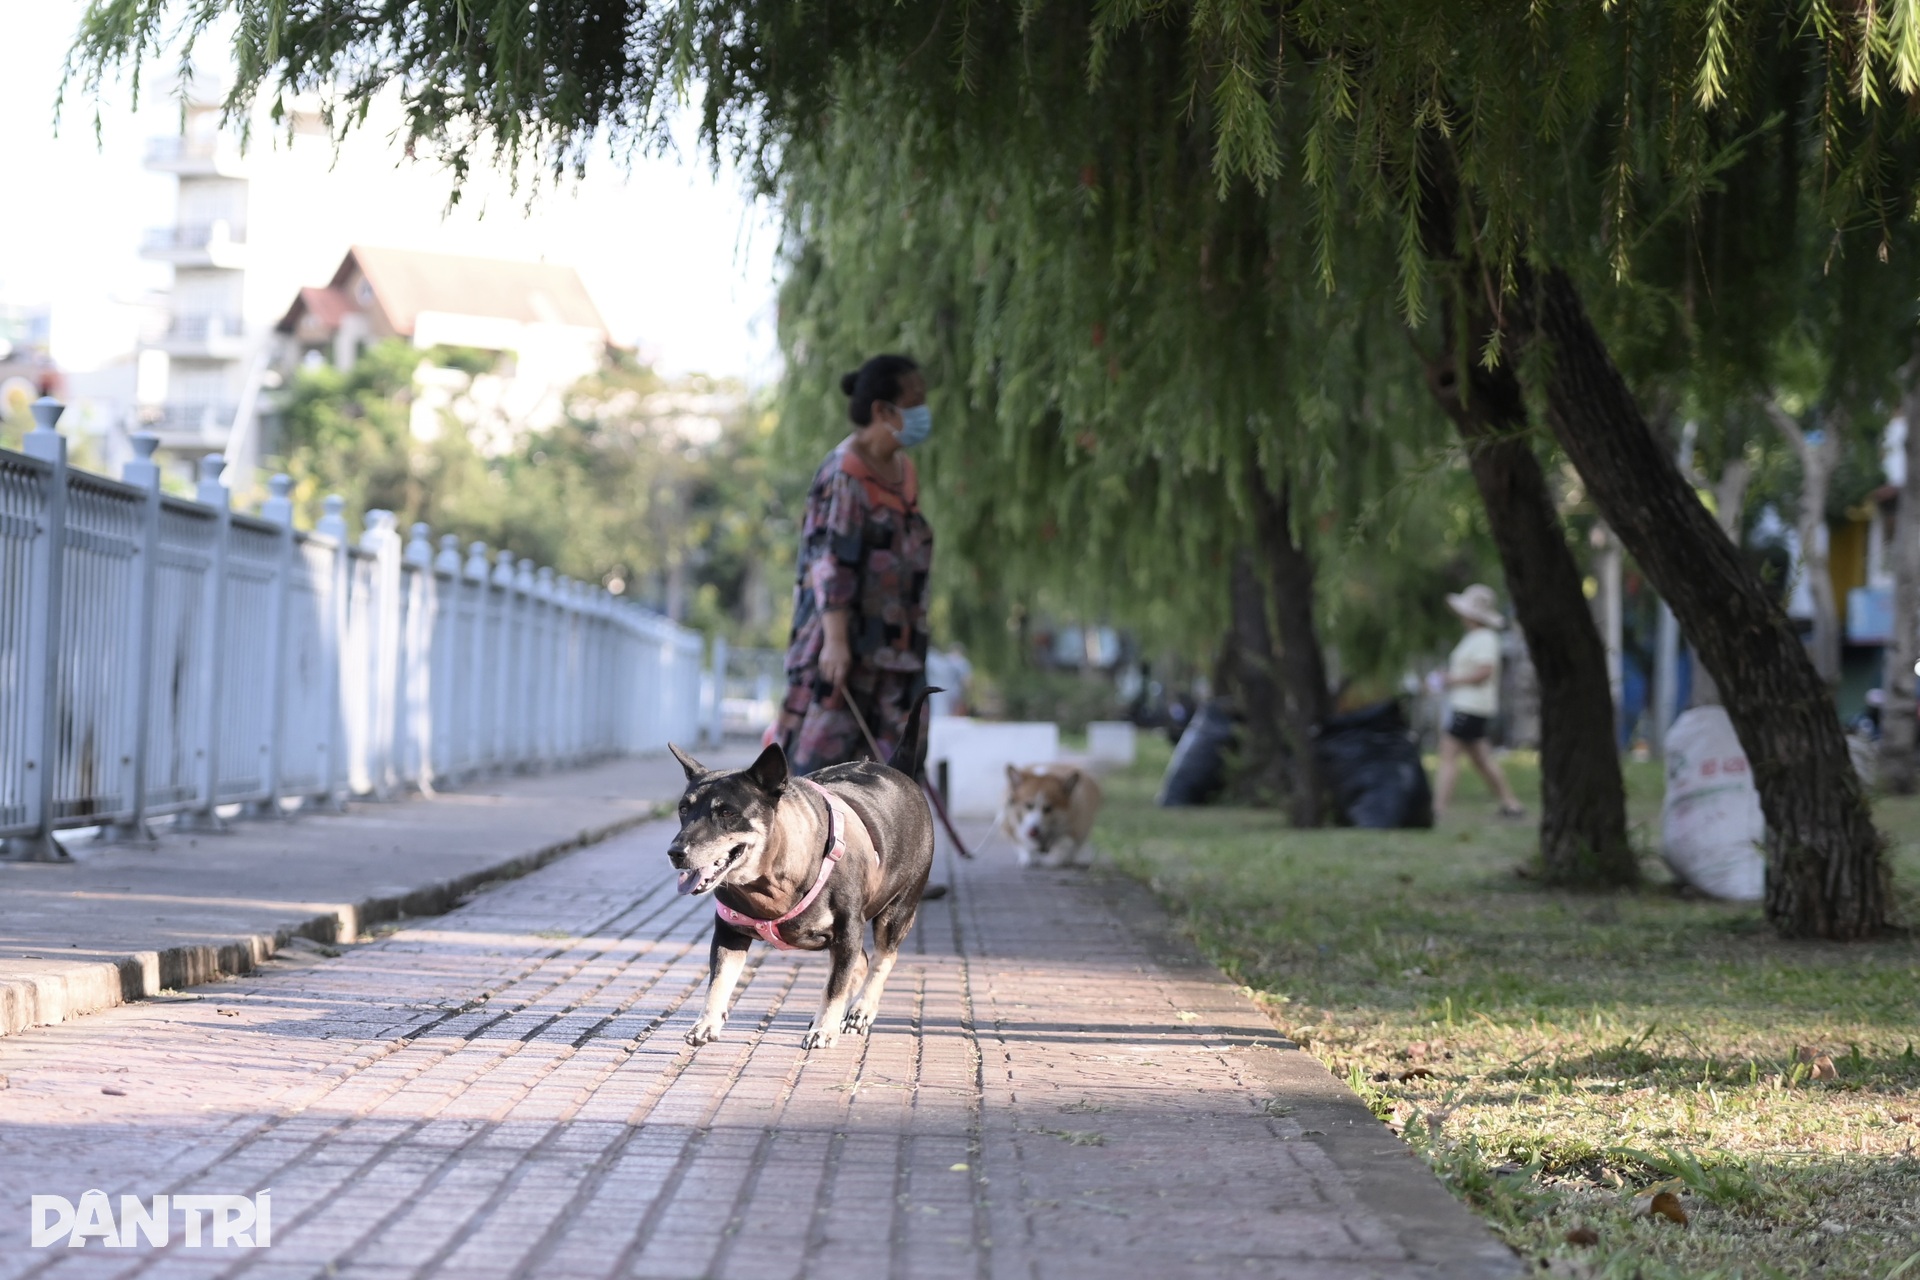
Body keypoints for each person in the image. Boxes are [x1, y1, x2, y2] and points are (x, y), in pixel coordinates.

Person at [776, 353, 935, 777]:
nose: (924, 411)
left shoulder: (905, 471)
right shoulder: (845, 473)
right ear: (883, 410)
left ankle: (890, 845)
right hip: (845, 650)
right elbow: (830, 561)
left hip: (900, 650)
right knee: (822, 769)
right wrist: (837, 642)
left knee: (898, 773)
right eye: (915, 400)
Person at [1432, 583, 1525, 820]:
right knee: (1481, 759)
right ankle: (1510, 804)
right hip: (1468, 705)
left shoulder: (1485, 639)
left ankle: (1438, 808)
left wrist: (1453, 680)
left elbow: (1485, 671)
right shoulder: (1474, 638)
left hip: (1470, 706)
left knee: (1449, 754)